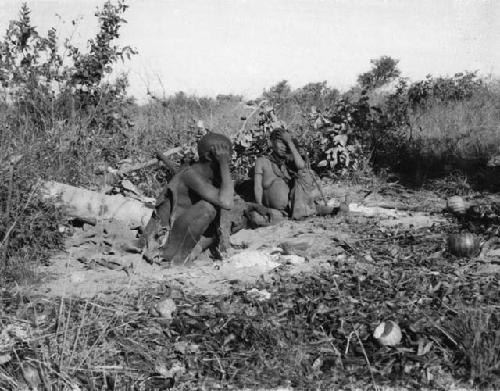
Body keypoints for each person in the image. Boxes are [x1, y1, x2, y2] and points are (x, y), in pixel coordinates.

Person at [140, 132, 234, 265]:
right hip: (162, 239)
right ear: (209, 156)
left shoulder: (211, 176)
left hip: (181, 231)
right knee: (208, 208)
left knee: (218, 220)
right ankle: (176, 259)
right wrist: (224, 163)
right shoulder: (192, 174)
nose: (229, 158)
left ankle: (189, 253)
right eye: (225, 154)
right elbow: (227, 202)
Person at [252, 127, 330, 224]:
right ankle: (327, 210)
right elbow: (258, 186)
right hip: (275, 211)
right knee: (256, 218)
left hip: (293, 208)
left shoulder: (288, 162)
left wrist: (290, 143)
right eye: (280, 142)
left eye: (285, 144)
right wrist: (259, 205)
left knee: (305, 174)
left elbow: (302, 167)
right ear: (271, 143)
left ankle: (334, 210)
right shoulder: (262, 161)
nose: (283, 147)